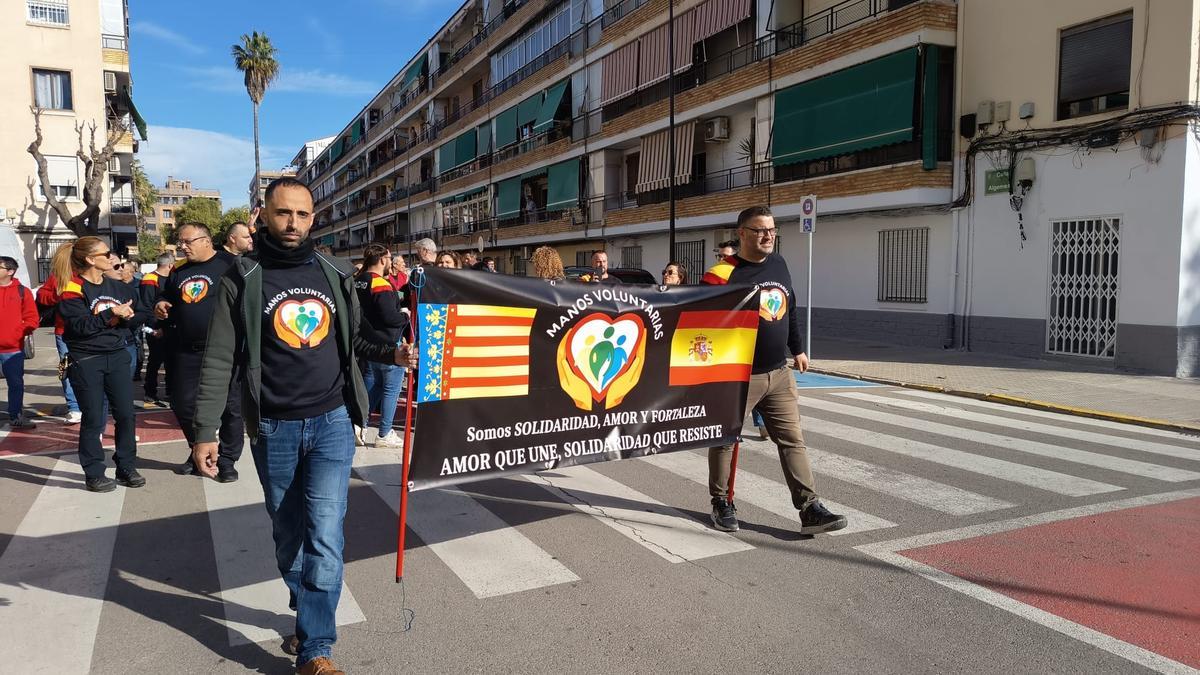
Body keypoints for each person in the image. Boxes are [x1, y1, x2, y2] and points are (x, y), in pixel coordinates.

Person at [191, 177, 416, 675]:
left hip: (333, 422)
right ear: (264, 215)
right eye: (283, 213)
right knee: (288, 533)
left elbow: (354, 341)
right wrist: (205, 431)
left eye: (303, 214)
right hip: (274, 428)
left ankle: (316, 648)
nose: (293, 223)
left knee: (326, 535)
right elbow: (220, 357)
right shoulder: (243, 277)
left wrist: (391, 353)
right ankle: (305, 606)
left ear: (314, 218)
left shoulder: (334, 271)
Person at [701, 206, 846, 535]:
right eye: (759, 230)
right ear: (742, 234)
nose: (767, 236)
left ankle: (810, 508)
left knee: (793, 441)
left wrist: (798, 348)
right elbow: (702, 323)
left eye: (771, 230)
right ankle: (721, 503)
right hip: (739, 376)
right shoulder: (721, 274)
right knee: (725, 440)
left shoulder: (779, 264)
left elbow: (789, 307)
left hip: (779, 373)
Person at [59, 236, 149, 493]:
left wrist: (130, 316)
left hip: (118, 355)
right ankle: (94, 473)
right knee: (94, 418)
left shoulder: (117, 286)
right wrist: (112, 314)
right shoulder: (73, 288)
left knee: (126, 414)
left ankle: (126, 466)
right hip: (87, 359)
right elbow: (79, 326)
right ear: (90, 260)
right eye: (106, 253)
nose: (112, 257)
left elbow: (141, 311)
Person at [155, 223, 243, 482]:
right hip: (186, 350)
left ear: (206, 240)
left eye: (187, 241)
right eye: (180, 242)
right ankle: (199, 450)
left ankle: (226, 460)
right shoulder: (179, 270)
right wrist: (160, 303)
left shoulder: (231, 263)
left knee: (230, 408)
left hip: (224, 350)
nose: (182, 246)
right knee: (182, 404)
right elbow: (164, 294)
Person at [354, 244, 408, 448]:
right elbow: (389, 316)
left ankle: (360, 423)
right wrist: (404, 315)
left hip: (367, 342)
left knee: (376, 384)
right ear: (383, 259)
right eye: (390, 258)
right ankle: (384, 433)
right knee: (391, 389)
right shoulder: (379, 283)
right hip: (387, 343)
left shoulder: (359, 280)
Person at [37, 243, 83, 424]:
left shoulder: (90, 275)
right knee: (66, 369)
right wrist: (58, 294)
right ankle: (74, 407)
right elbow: (42, 295)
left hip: (87, 330)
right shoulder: (58, 277)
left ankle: (87, 405)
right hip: (64, 332)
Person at [0, 256, 41, 429]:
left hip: (13, 348)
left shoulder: (22, 291)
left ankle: (15, 415)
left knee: (15, 383)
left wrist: (19, 331)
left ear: (10, 272)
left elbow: (32, 318)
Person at [139, 252, 174, 407]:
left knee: (171, 360)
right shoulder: (150, 279)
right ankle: (150, 392)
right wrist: (154, 327)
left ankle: (171, 390)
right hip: (155, 327)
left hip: (171, 327)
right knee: (155, 360)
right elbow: (146, 306)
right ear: (169, 264)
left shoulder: (172, 278)